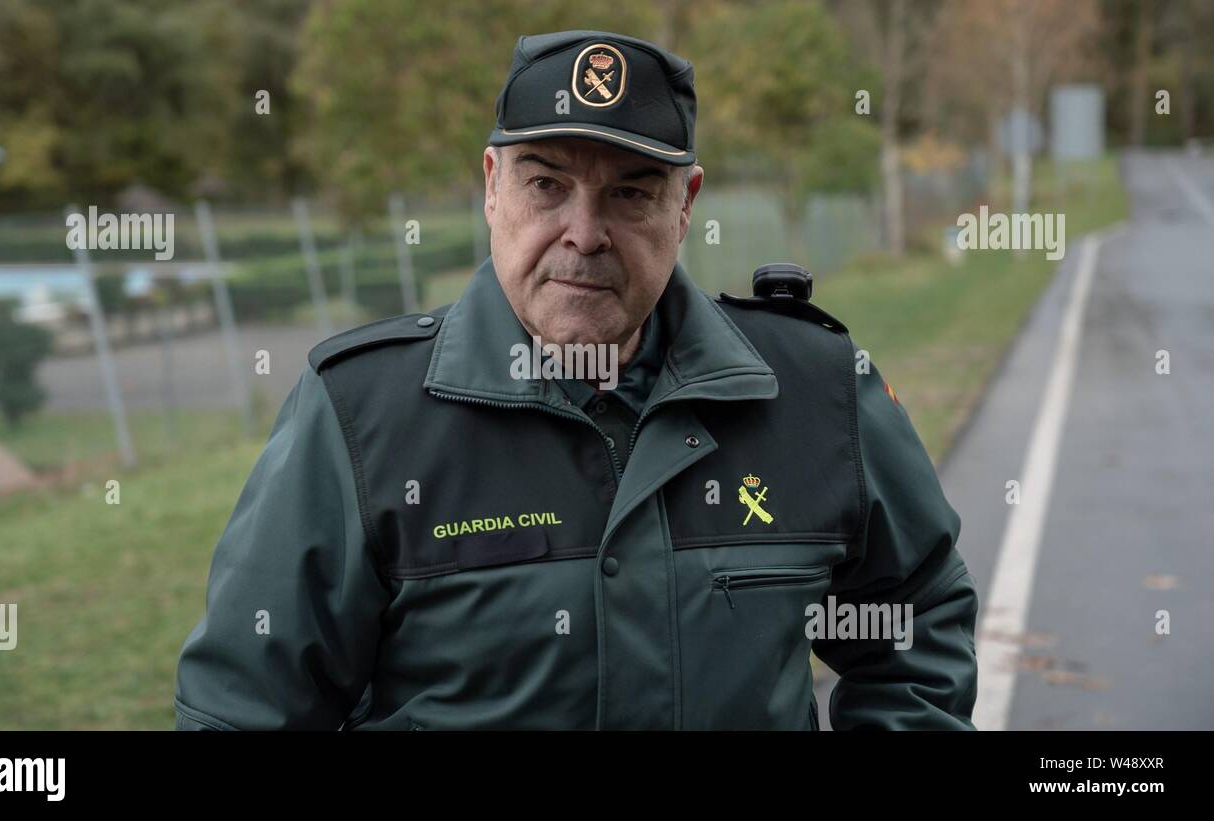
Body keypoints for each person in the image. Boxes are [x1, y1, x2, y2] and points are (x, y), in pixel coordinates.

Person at [175, 29, 978, 731]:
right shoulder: (360, 416)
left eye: (630, 193)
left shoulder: (813, 392)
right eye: (546, 183)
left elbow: (915, 618)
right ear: (491, 186)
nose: (584, 235)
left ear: (686, 204)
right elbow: (244, 708)